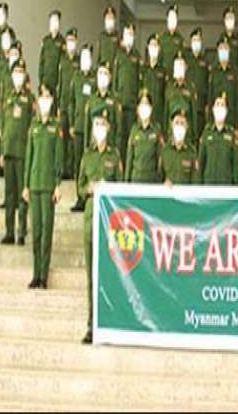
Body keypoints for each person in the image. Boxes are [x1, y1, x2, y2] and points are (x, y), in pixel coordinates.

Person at [77, 111, 123, 345]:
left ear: (109, 127)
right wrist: (89, 189)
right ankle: (91, 325)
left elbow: (121, 187)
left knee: (110, 274)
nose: (99, 127)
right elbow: (79, 188)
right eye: (96, 124)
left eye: (103, 124)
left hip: (109, 223)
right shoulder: (87, 156)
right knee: (91, 276)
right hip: (90, 218)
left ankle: (110, 322)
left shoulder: (114, 156)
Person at [23, 85, 64, 290]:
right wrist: (26, 185)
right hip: (35, 183)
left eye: (48, 97)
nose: (45, 100)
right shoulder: (34, 126)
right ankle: (35, 274)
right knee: (36, 231)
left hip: (48, 186)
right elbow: (28, 156)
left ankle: (44, 275)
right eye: (42, 97)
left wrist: (58, 184)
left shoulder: (55, 127)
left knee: (47, 232)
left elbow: (58, 158)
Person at [0, 60, 36, 246]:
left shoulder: (30, 99)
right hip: (9, 152)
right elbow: (3, 127)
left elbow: (33, 125)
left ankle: (21, 232)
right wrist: (1, 152)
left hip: (23, 152)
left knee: (23, 194)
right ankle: (9, 232)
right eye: (16, 71)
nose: (18, 75)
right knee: (9, 194)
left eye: (21, 71)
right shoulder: (7, 96)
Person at [69, 44, 96, 212]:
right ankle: (80, 196)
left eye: (88, 57)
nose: (86, 60)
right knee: (78, 163)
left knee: (91, 162)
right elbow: (71, 102)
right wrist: (72, 123)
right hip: (79, 126)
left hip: (92, 128)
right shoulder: (76, 78)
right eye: (83, 56)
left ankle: (90, 197)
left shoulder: (95, 78)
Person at [0, 20, 16, 177]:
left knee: (10, 136)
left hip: (11, 106)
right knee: (0, 135)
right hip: (1, 102)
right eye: (3, 39)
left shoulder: (14, 62)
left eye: (8, 39)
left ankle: (8, 165)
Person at [112, 22, 140, 158]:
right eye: (127, 34)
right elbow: (115, 80)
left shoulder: (137, 56)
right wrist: (115, 99)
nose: (129, 37)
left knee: (130, 135)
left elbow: (139, 80)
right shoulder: (119, 55)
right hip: (120, 103)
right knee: (119, 135)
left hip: (132, 104)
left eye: (131, 34)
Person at [199, 94, 238, 185]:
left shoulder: (231, 134)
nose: (220, 107)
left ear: (226, 110)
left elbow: (235, 164)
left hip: (226, 184)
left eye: (222, 105)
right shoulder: (206, 133)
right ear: (213, 109)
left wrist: (236, 186)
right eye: (217, 104)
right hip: (208, 184)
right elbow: (201, 163)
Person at [84, 62, 124, 156]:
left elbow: (119, 128)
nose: (102, 76)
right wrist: (86, 148)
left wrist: (117, 149)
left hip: (110, 147)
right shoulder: (91, 100)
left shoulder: (115, 101)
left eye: (105, 73)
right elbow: (87, 127)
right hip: (94, 148)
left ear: (110, 78)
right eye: (100, 73)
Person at [125, 91, 164, 183]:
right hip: (136, 178)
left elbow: (160, 157)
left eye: (146, 103)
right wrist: (127, 180)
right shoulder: (134, 129)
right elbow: (129, 157)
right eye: (141, 104)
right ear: (138, 108)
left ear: (151, 107)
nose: (144, 107)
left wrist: (160, 179)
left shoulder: (156, 129)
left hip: (151, 179)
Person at [58, 28, 80, 179]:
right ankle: (63, 168)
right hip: (64, 104)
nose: (71, 43)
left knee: (73, 139)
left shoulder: (79, 61)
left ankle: (71, 168)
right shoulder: (63, 61)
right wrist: (59, 105)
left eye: (73, 40)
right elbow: (60, 84)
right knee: (63, 137)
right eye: (69, 40)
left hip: (75, 106)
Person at [164, 54, 199, 144]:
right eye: (177, 65)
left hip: (187, 127)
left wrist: (194, 133)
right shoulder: (169, 87)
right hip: (172, 127)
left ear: (185, 68)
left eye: (181, 65)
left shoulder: (190, 87)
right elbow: (166, 111)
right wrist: (165, 132)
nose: (179, 68)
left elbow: (193, 111)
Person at [208, 39, 238, 130]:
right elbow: (210, 98)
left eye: (225, 48)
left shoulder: (234, 72)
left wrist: (237, 125)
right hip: (217, 115)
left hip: (231, 115)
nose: (223, 51)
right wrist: (210, 121)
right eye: (221, 49)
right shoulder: (214, 72)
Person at [159, 108, 198, 185]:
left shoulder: (192, 152)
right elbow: (159, 176)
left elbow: (195, 181)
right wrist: (164, 182)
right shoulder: (165, 150)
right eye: (176, 122)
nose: (179, 126)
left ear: (187, 126)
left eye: (182, 123)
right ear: (172, 125)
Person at [187, 28, 211, 138]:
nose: (196, 43)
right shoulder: (186, 60)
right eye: (194, 40)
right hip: (188, 105)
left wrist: (207, 103)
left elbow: (208, 83)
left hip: (201, 105)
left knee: (200, 134)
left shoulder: (205, 62)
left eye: (198, 40)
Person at [140, 35, 168, 129]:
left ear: (159, 49)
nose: (153, 48)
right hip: (145, 110)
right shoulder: (143, 69)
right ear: (148, 48)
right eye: (151, 45)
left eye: (156, 45)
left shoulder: (163, 71)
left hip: (159, 111)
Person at [39, 10, 64, 93]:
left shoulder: (62, 42)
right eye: (53, 21)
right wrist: (41, 82)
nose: (55, 24)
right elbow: (41, 62)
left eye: (56, 21)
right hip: (45, 82)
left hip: (56, 82)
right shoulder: (46, 41)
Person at [218, 7, 238, 78]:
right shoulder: (221, 37)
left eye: (232, 18)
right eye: (228, 18)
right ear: (224, 20)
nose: (230, 20)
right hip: (224, 72)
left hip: (235, 72)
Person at [159, 4, 186, 70]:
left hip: (176, 72)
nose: (172, 20)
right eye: (171, 18)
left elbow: (183, 56)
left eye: (175, 18)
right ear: (167, 19)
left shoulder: (180, 38)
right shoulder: (161, 38)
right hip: (163, 71)